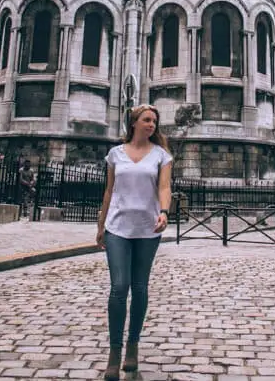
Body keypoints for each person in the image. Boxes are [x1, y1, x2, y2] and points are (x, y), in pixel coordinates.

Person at [96, 104, 172, 380]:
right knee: (119, 287)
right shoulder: (115, 154)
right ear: (134, 123)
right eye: (147, 120)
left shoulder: (162, 155)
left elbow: (164, 187)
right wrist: (101, 223)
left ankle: (133, 346)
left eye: (154, 120)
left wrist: (164, 212)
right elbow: (109, 190)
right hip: (117, 227)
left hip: (148, 228)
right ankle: (114, 353)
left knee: (139, 287)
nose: (151, 124)